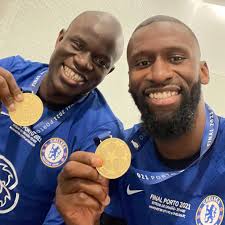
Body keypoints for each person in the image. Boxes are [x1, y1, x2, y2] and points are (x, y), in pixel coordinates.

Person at [55, 15, 225, 225]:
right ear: (129, 81)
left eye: (176, 58)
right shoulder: (117, 159)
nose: (159, 74)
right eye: (143, 62)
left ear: (203, 72)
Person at [0, 11, 124, 225]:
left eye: (100, 61)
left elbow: (70, 217)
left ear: (109, 72)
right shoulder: (12, 72)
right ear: (60, 39)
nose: (84, 62)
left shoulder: (103, 136)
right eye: (78, 44)